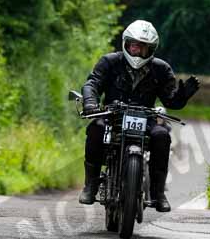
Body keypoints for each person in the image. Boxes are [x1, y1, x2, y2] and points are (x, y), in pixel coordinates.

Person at [79, 20, 200, 212]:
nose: (136, 50)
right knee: (96, 128)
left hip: (146, 118)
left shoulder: (161, 69)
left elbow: (170, 101)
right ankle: (91, 185)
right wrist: (91, 102)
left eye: (142, 46)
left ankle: (158, 193)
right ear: (126, 43)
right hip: (112, 116)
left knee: (162, 135)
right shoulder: (109, 62)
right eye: (133, 44)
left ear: (150, 49)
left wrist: (182, 95)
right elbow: (92, 84)